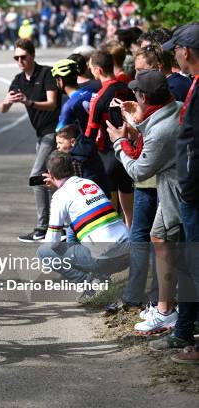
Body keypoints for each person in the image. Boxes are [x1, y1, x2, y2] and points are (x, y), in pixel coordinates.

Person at [106, 69, 182, 334]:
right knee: (160, 237)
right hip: (175, 188)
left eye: (137, 93)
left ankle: (166, 311)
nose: (133, 97)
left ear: (145, 97)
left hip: (176, 191)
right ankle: (168, 307)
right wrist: (137, 120)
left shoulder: (160, 129)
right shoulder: (176, 107)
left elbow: (139, 170)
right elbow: (156, 133)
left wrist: (119, 142)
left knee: (164, 240)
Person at [36, 151, 129, 302]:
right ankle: (100, 277)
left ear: (50, 174)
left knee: (44, 253)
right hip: (128, 253)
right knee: (83, 232)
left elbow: (52, 242)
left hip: (106, 258)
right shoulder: (89, 184)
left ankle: (91, 284)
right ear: (72, 168)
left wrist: (57, 192)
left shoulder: (60, 196)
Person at [159, 23, 199, 364]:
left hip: (194, 191)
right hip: (190, 191)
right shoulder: (195, 83)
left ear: (186, 51)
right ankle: (184, 331)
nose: (174, 55)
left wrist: (188, 186)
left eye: (176, 49)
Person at [0, 39, 60, 242]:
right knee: (51, 178)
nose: (19, 61)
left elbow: (52, 104)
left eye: (23, 57)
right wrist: (7, 102)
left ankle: (43, 228)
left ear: (32, 56)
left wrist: (29, 102)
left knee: (37, 176)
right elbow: (3, 108)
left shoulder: (46, 74)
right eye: (16, 57)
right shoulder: (18, 79)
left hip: (53, 132)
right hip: (40, 133)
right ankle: (58, 226)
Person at [85, 50, 135, 227]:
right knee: (128, 199)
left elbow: (90, 131)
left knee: (111, 207)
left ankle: (116, 243)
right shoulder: (126, 88)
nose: (90, 71)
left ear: (98, 70)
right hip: (128, 150)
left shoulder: (100, 97)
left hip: (109, 153)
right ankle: (131, 235)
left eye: (91, 68)